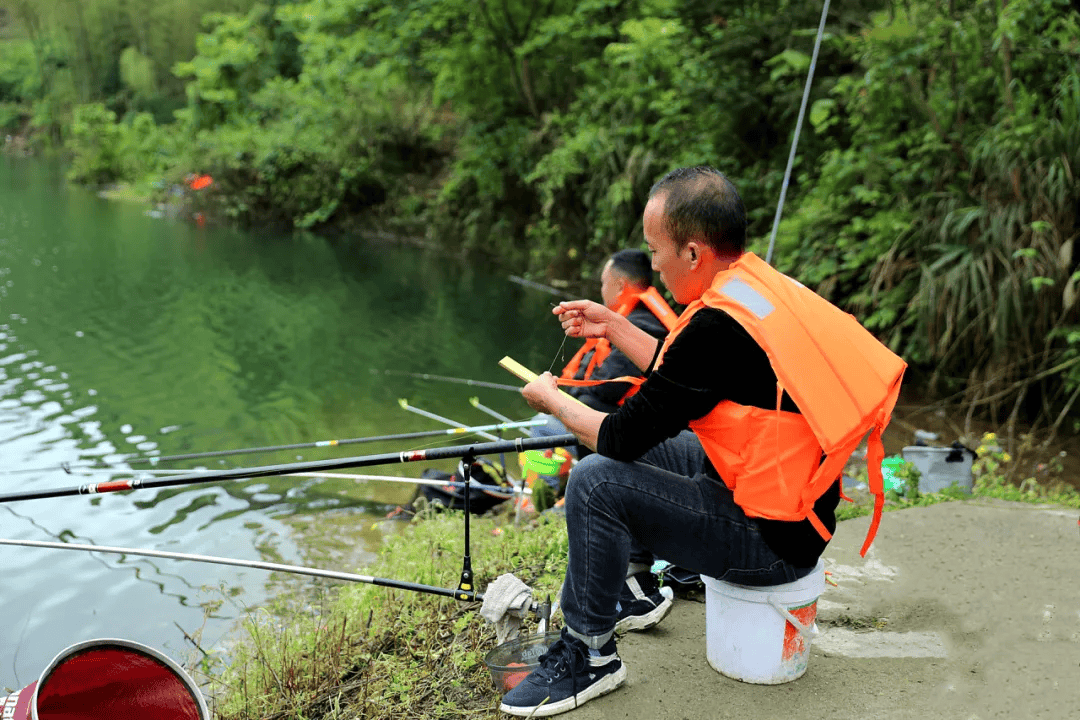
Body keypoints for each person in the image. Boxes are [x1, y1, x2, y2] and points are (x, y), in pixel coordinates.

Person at [501, 166, 905, 716]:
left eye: (657, 250)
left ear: (693, 253)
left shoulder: (717, 324)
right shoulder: (753, 288)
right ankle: (633, 593)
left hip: (771, 544)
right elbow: (684, 375)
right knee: (641, 447)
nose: (654, 266)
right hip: (790, 503)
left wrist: (550, 398)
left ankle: (590, 655)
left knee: (597, 478)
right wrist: (613, 325)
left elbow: (616, 437)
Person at [527, 249, 678, 490]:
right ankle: (556, 486)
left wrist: (554, 400)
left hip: (624, 429)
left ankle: (546, 493)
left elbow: (607, 387)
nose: (601, 290)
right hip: (615, 419)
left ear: (620, 286)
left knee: (540, 425)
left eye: (603, 283)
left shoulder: (643, 325)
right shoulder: (634, 317)